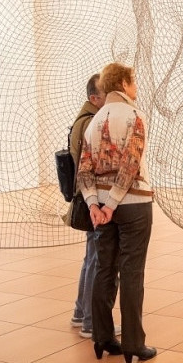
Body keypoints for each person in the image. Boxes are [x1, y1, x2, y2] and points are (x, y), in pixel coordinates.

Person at [77, 62, 156, 362]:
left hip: (101, 209)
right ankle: (134, 344)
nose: (136, 87)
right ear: (123, 84)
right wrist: (111, 204)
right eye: (133, 81)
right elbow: (130, 165)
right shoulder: (135, 116)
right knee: (132, 272)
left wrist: (94, 205)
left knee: (104, 269)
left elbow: (84, 169)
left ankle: (103, 338)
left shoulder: (95, 121)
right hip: (133, 205)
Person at [68, 74, 122, 339]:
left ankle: (81, 313)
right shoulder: (92, 122)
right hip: (94, 200)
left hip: (88, 198)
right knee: (98, 260)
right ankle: (91, 322)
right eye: (106, 94)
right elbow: (94, 167)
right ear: (94, 98)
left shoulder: (84, 119)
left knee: (91, 257)